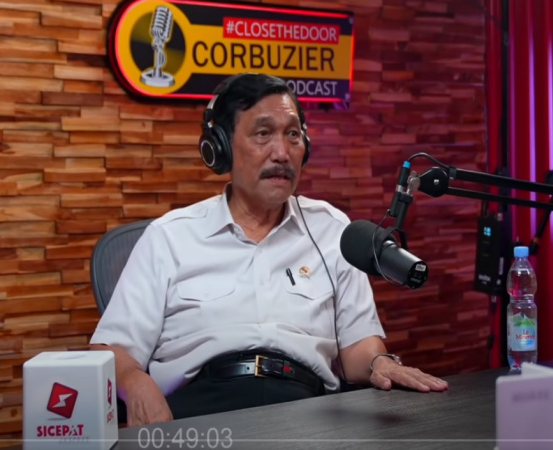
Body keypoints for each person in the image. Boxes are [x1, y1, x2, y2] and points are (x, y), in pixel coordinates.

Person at [89, 73, 448, 427]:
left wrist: (379, 363)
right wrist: (135, 384)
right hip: (202, 411)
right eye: (263, 134)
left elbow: (358, 347)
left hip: (308, 411)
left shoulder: (332, 229)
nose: (281, 153)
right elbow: (113, 351)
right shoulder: (169, 237)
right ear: (221, 148)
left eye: (292, 135)